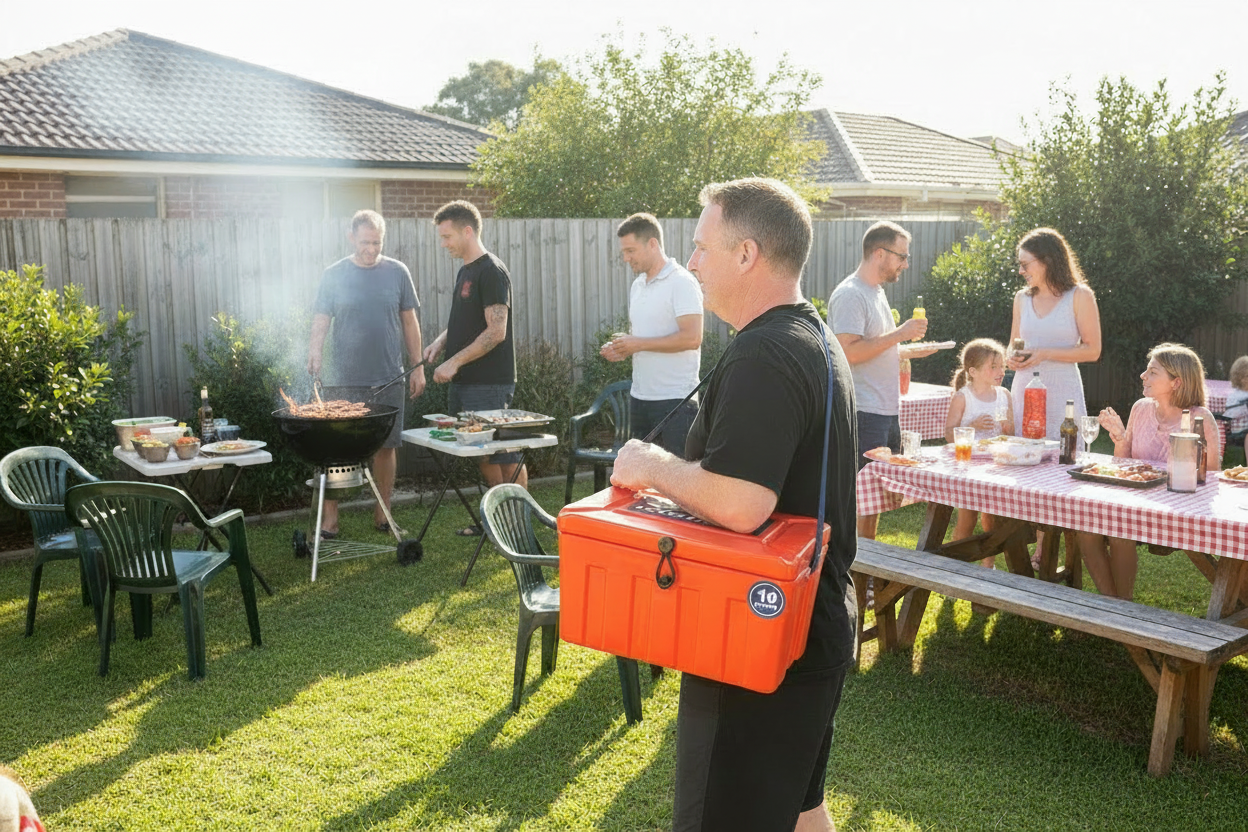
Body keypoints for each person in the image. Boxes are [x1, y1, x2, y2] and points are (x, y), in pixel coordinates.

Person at [611, 178, 857, 832]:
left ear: (745, 255)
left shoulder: (765, 354)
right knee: (802, 810)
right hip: (814, 624)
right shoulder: (813, 338)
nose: (691, 263)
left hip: (758, 636)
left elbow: (744, 504)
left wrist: (650, 465)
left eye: (700, 247)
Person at [307, 210, 426, 538]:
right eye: (364, 242)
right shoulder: (333, 274)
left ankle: (383, 514)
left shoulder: (397, 272)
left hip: (388, 376)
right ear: (351, 237)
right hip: (343, 378)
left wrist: (417, 367)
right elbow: (321, 317)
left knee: (387, 447)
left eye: (376, 242)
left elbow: (409, 321)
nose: (371, 249)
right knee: (334, 447)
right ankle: (330, 519)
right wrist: (314, 350)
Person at [1079, 344, 1222, 600]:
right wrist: (1120, 437)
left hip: (1179, 507)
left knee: (1119, 531)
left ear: (1176, 382)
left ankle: (1121, 608)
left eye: (1152, 372)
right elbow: (1123, 465)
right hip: (1138, 501)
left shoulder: (1200, 418)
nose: (1143, 376)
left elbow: (1211, 479)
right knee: (1085, 527)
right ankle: (1117, 610)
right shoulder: (1141, 408)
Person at [828, 220, 936, 539]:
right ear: (879, 253)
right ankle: (857, 576)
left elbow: (876, 347)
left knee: (874, 501)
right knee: (860, 500)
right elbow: (847, 353)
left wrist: (907, 351)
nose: (905, 263)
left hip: (885, 411)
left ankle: (866, 575)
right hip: (863, 412)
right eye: (901, 256)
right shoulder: (851, 294)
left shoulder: (874, 292)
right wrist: (900, 334)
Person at [424, 200, 524, 535]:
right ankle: (495, 521)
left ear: (468, 231)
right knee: (482, 454)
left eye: (447, 236)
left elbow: (497, 331)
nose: (444, 243)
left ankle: (518, 523)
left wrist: (454, 361)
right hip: (465, 382)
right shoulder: (466, 270)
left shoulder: (491, 271)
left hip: (489, 383)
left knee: (503, 454)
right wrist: (441, 342)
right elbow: (466, 322)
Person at [600, 212, 704, 456]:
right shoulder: (638, 286)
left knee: (676, 486)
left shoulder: (682, 282)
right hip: (640, 399)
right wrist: (623, 346)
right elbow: (646, 338)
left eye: (630, 250)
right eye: (623, 252)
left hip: (676, 402)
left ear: (653, 244)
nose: (625, 258)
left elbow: (692, 338)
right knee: (644, 484)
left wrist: (637, 343)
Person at [1007, 228, 1102, 439]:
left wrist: (1044, 353)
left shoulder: (1080, 296)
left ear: (1047, 261)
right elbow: (1014, 343)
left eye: (1025, 264)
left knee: (1065, 459)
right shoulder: (1021, 298)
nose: (1021, 271)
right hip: (1024, 390)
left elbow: (1093, 351)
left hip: (1062, 393)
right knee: (1021, 459)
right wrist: (1011, 358)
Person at [944, 338, 1013, 561]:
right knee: (967, 519)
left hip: (995, 467)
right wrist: (971, 426)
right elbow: (948, 434)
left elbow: (1011, 434)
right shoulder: (963, 397)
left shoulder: (1004, 395)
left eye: (1002, 366)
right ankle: (954, 569)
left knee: (991, 519)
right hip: (968, 466)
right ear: (972, 371)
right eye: (993, 367)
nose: (1000, 371)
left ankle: (988, 567)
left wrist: (1007, 428)